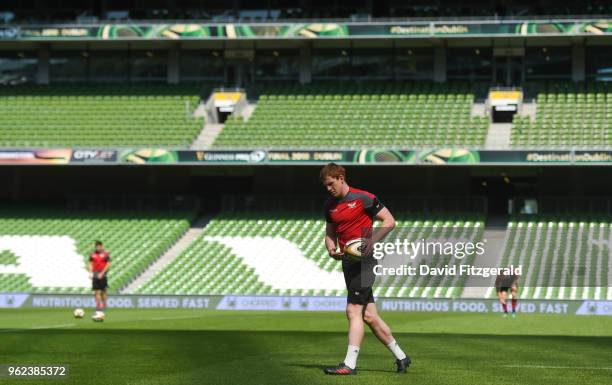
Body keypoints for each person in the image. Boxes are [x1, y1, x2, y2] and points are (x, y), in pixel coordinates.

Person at [320, 163, 410, 375]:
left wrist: (371, 241)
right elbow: (329, 233)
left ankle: (349, 365)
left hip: (365, 262)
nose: (329, 189)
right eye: (326, 186)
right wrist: (331, 248)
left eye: (331, 184)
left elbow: (389, 220)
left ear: (341, 177)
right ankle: (402, 357)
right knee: (369, 316)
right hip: (348, 264)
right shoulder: (329, 205)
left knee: (353, 311)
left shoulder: (364, 198)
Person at [89, 240, 111, 315]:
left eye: (99, 246)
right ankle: (98, 306)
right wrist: (90, 272)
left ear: (101, 246)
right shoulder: (92, 254)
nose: (98, 248)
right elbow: (90, 263)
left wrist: (102, 273)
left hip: (102, 274)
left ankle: (104, 305)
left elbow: (108, 264)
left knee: (103, 291)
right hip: (95, 274)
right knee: (96, 291)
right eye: (97, 247)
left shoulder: (105, 254)